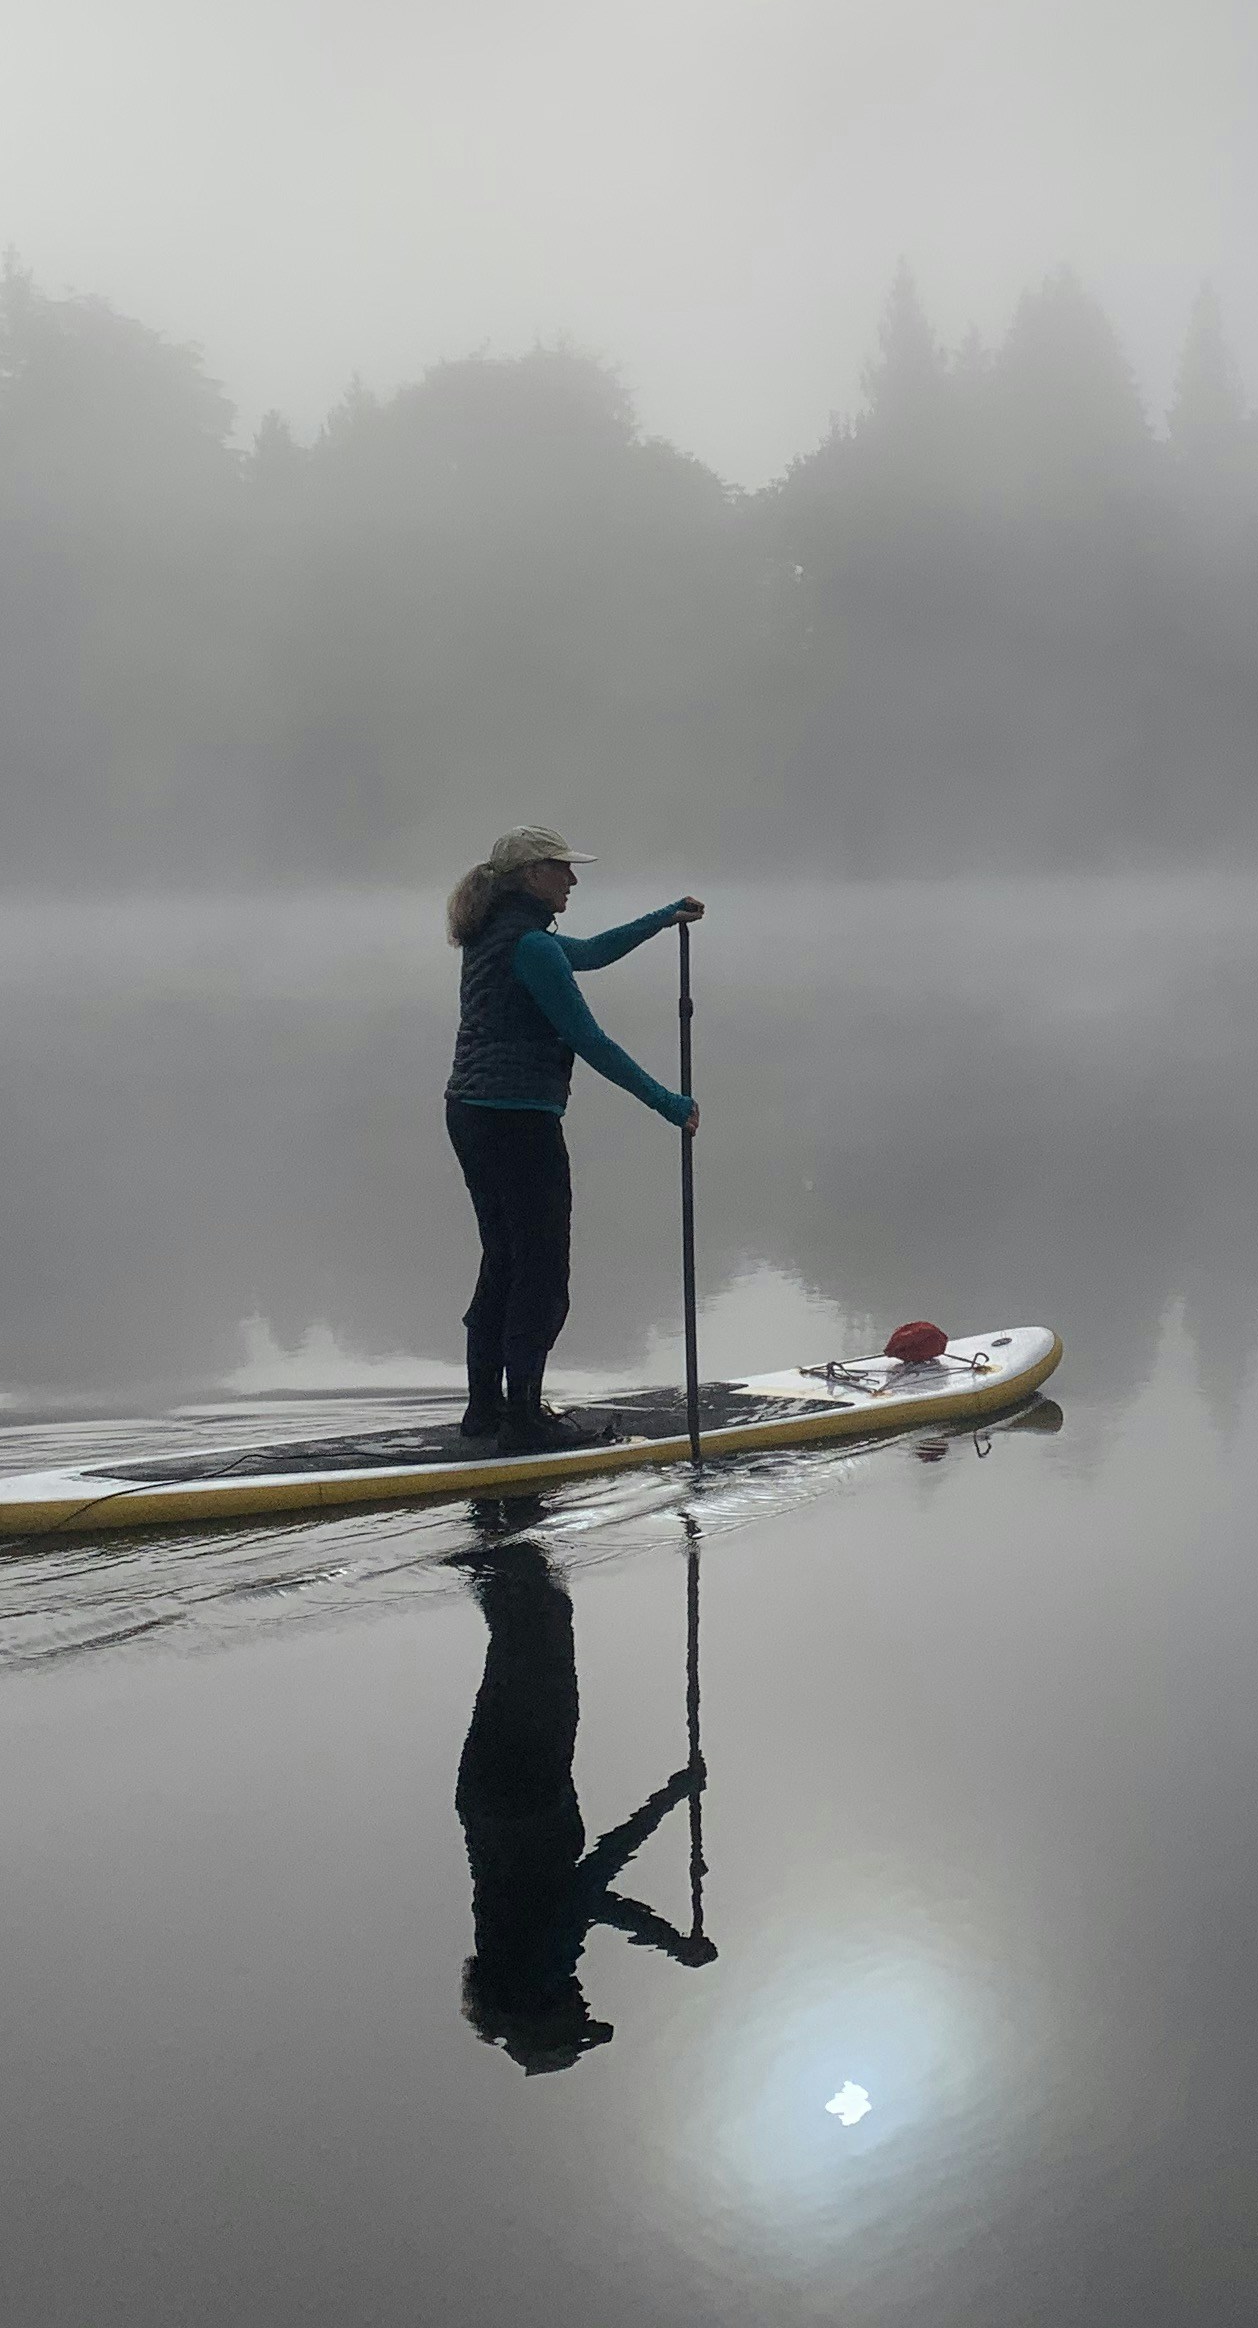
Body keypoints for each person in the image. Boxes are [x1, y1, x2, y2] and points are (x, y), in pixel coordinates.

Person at [441, 824, 701, 1450]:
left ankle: (486, 1413)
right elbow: (590, 1041)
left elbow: (587, 953)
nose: (573, 879)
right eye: (562, 869)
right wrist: (670, 1103)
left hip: (471, 1115)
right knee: (542, 1269)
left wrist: (662, 919)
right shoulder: (530, 946)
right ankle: (525, 1423)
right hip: (518, 1121)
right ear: (532, 875)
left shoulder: (499, 933)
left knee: (503, 1259)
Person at [450, 1511, 712, 2073]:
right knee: (520, 1633)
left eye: (578, 2021)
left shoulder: (541, 1966)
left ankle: (504, 1526)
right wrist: (668, 1941)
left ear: (547, 2016)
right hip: (487, 1790)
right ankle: (490, 1539)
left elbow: (596, 1880)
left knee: (546, 1618)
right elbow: (596, 1904)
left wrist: (674, 1793)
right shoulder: (510, 1959)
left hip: (529, 1782)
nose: (586, 2007)